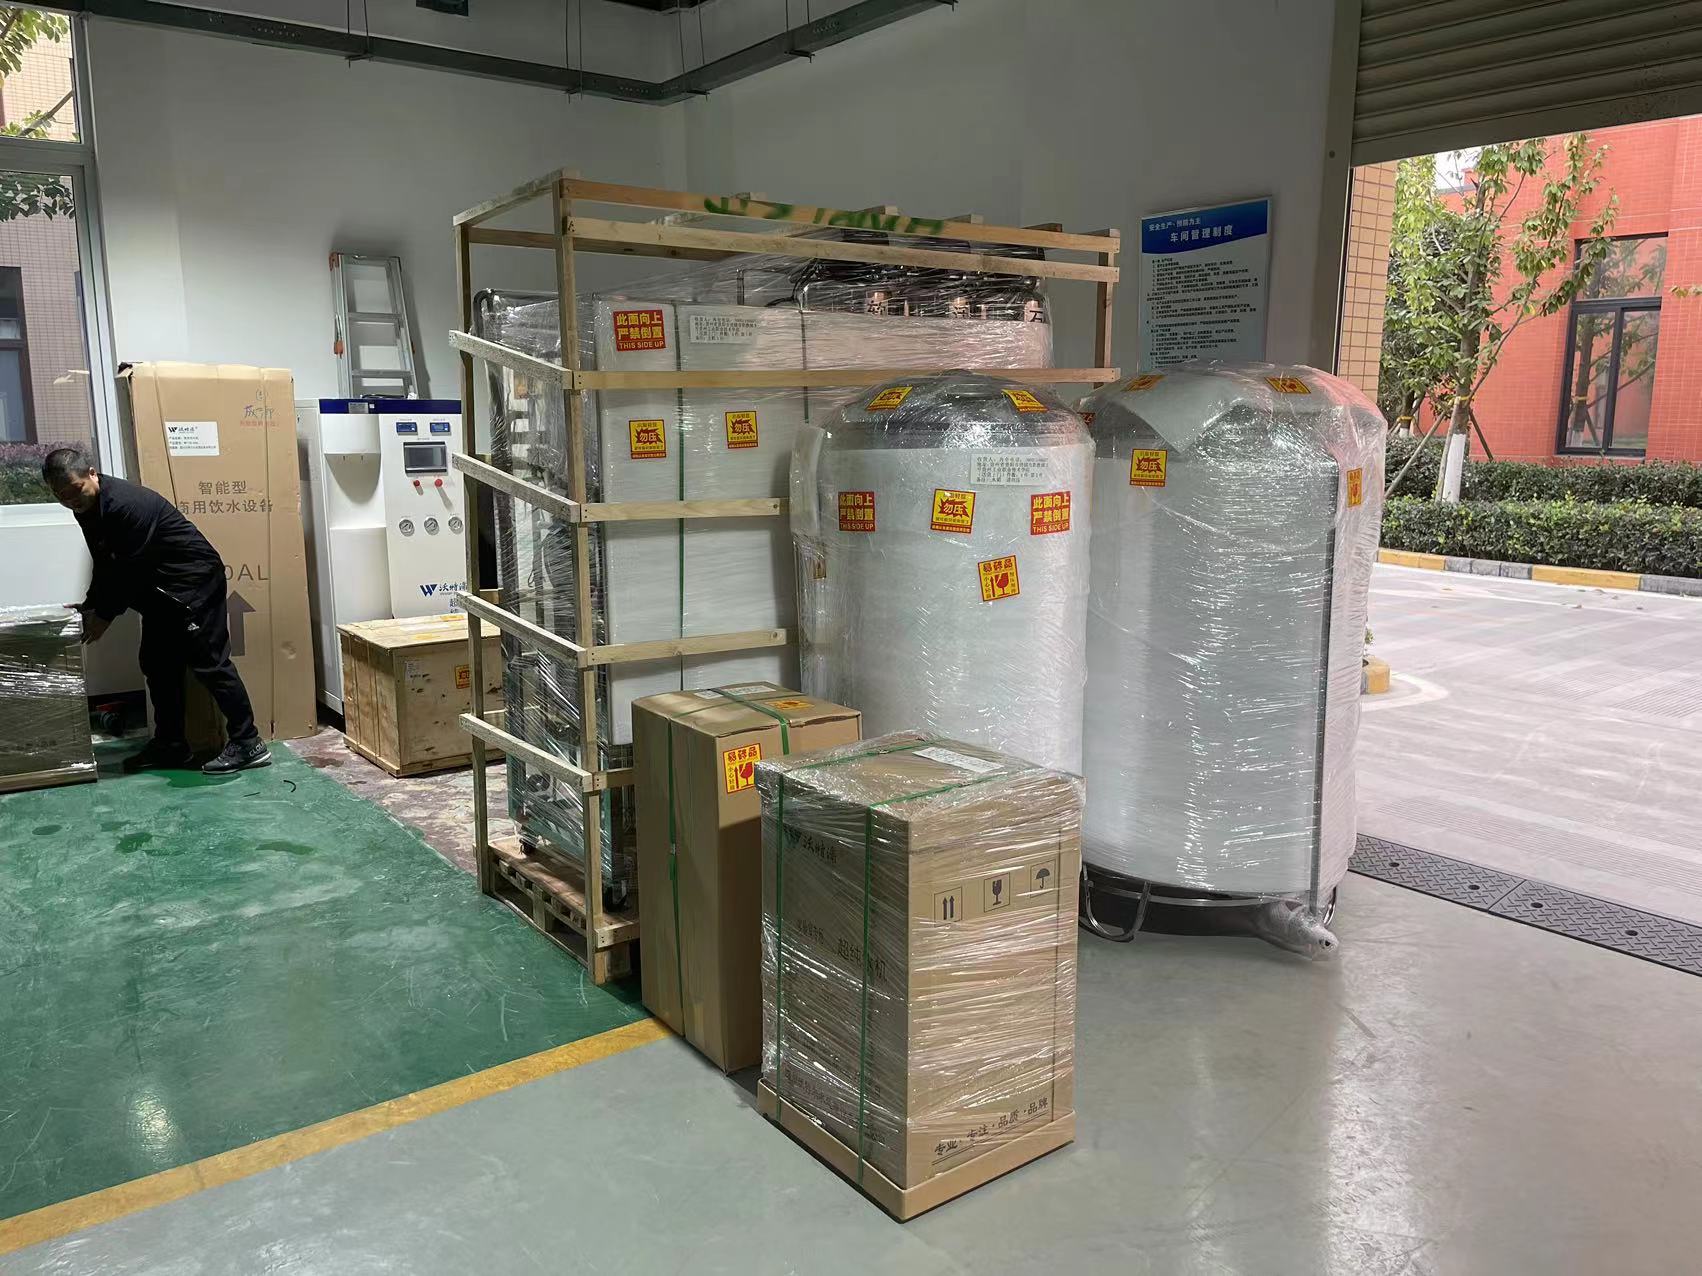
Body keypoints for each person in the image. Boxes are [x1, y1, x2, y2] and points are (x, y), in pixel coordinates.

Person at [44, 447, 271, 775]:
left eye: (75, 490)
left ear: (92, 474)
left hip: (192, 583)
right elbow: (105, 562)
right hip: (159, 591)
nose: (70, 501)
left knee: (210, 663)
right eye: (61, 496)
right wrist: (91, 606)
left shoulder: (125, 505)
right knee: (157, 663)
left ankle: (249, 742)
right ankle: (171, 744)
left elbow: (129, 570)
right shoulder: (87, 507)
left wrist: (104, 616)